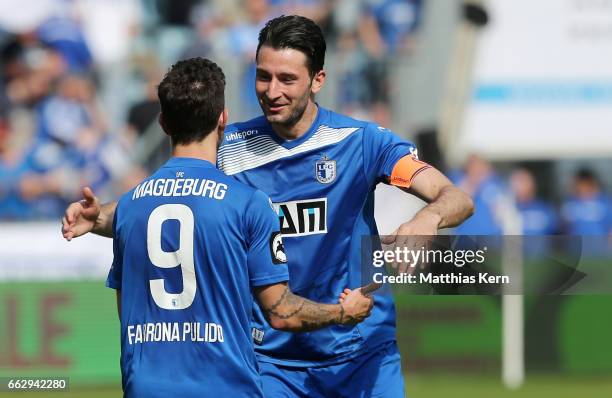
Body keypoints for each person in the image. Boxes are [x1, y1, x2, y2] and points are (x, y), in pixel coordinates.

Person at [63, 16, 473, 397]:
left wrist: (428, 217)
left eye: (287, 79)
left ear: (317, 80)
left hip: (363, 351)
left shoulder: (362, 142)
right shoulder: (230, 148)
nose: (272, 91)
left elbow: (455, 196)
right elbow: (173, 200)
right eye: (263, 76)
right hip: (273, 360)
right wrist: (99, 215)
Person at [64, 57, 373, 398]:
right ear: (223, 118)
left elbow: (128, 313)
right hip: (224, 387)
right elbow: (282, 313)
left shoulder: (131, 207)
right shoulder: (248, 203)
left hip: (145, 387)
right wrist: (342, 312)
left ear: (164, 122)